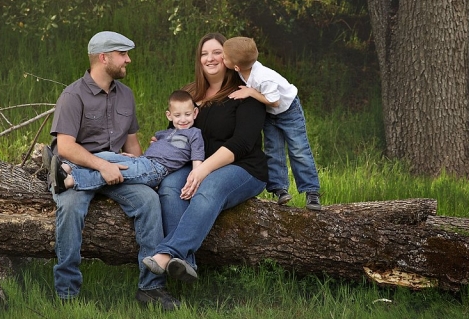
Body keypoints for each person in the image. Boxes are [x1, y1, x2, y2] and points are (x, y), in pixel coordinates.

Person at [45, 30, 180, 310]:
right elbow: (66, 147)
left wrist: (142, 166)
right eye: (123, 54)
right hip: (79, 165)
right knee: (69, 208)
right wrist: (102, 166)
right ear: (103, 57)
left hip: (115, 170)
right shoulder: (72, 95)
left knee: (149, 200)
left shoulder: (126, 96)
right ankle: (67, 292)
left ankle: (151, 288)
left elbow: (133, 148)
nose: (128, 60)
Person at [140, 33, 268, 282]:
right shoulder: (189, 94)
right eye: (204, 53)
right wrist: (161, 143)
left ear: (228, 57)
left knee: (208, 187)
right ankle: (185, 264)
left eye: (217, 52)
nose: (210, 58)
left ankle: (169, 254)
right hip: (196, 166)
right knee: (169, 186)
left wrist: (203, 170)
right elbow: (176, 134)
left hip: (243, 168)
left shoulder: (245, 93)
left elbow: (242, 143)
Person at [221, 36, 321, 210]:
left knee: (298, 150)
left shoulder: (263, 78)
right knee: (273, 150)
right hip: (269, 114)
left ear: (236, 66)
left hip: (288, 111)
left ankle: (311, 192)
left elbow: (274, 101)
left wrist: (251, 92)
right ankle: (280, 189)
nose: (221, 59)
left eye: (224, 57)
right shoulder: (241, 70)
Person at [49, 90, 204, 193]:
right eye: (178, 116)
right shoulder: (165, 133)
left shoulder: (195, 134)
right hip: (143, 161)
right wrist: (140, 155)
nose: (183, 120)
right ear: (169, 116)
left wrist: (194, 181)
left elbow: (197, 161)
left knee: (112, 172)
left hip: (156, 171)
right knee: (105, 156)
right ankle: (65, 166)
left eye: (187, 114)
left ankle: (68, 181)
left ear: (195, 113)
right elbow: (155, 148)